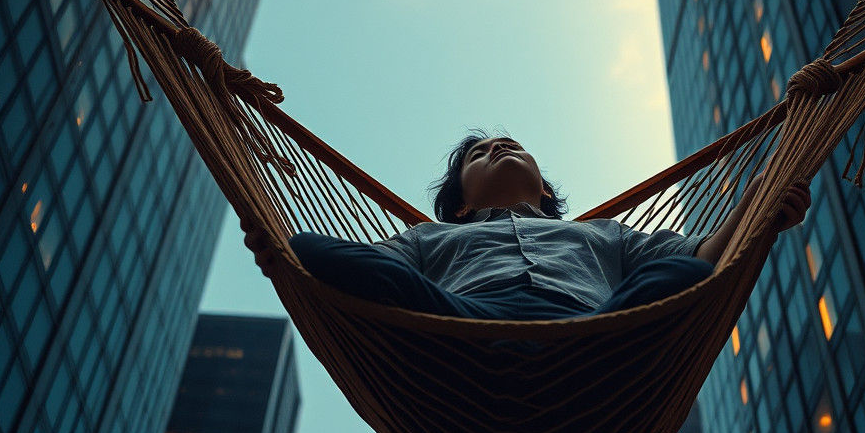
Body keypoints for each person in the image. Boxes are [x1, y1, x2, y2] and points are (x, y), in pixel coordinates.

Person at [243, 130, 811, 320]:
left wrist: (756, 208)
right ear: (459, 205)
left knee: (673, 281)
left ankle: (602, 339)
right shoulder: (430, 237)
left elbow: (702, 257)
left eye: (508, 143)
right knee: (311, 247)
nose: (499, 146)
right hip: (460, 329)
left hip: (597, 332)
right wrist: (287, 264)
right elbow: (371, 273)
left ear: (544, 188)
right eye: (479, 153)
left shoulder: (605, 234)